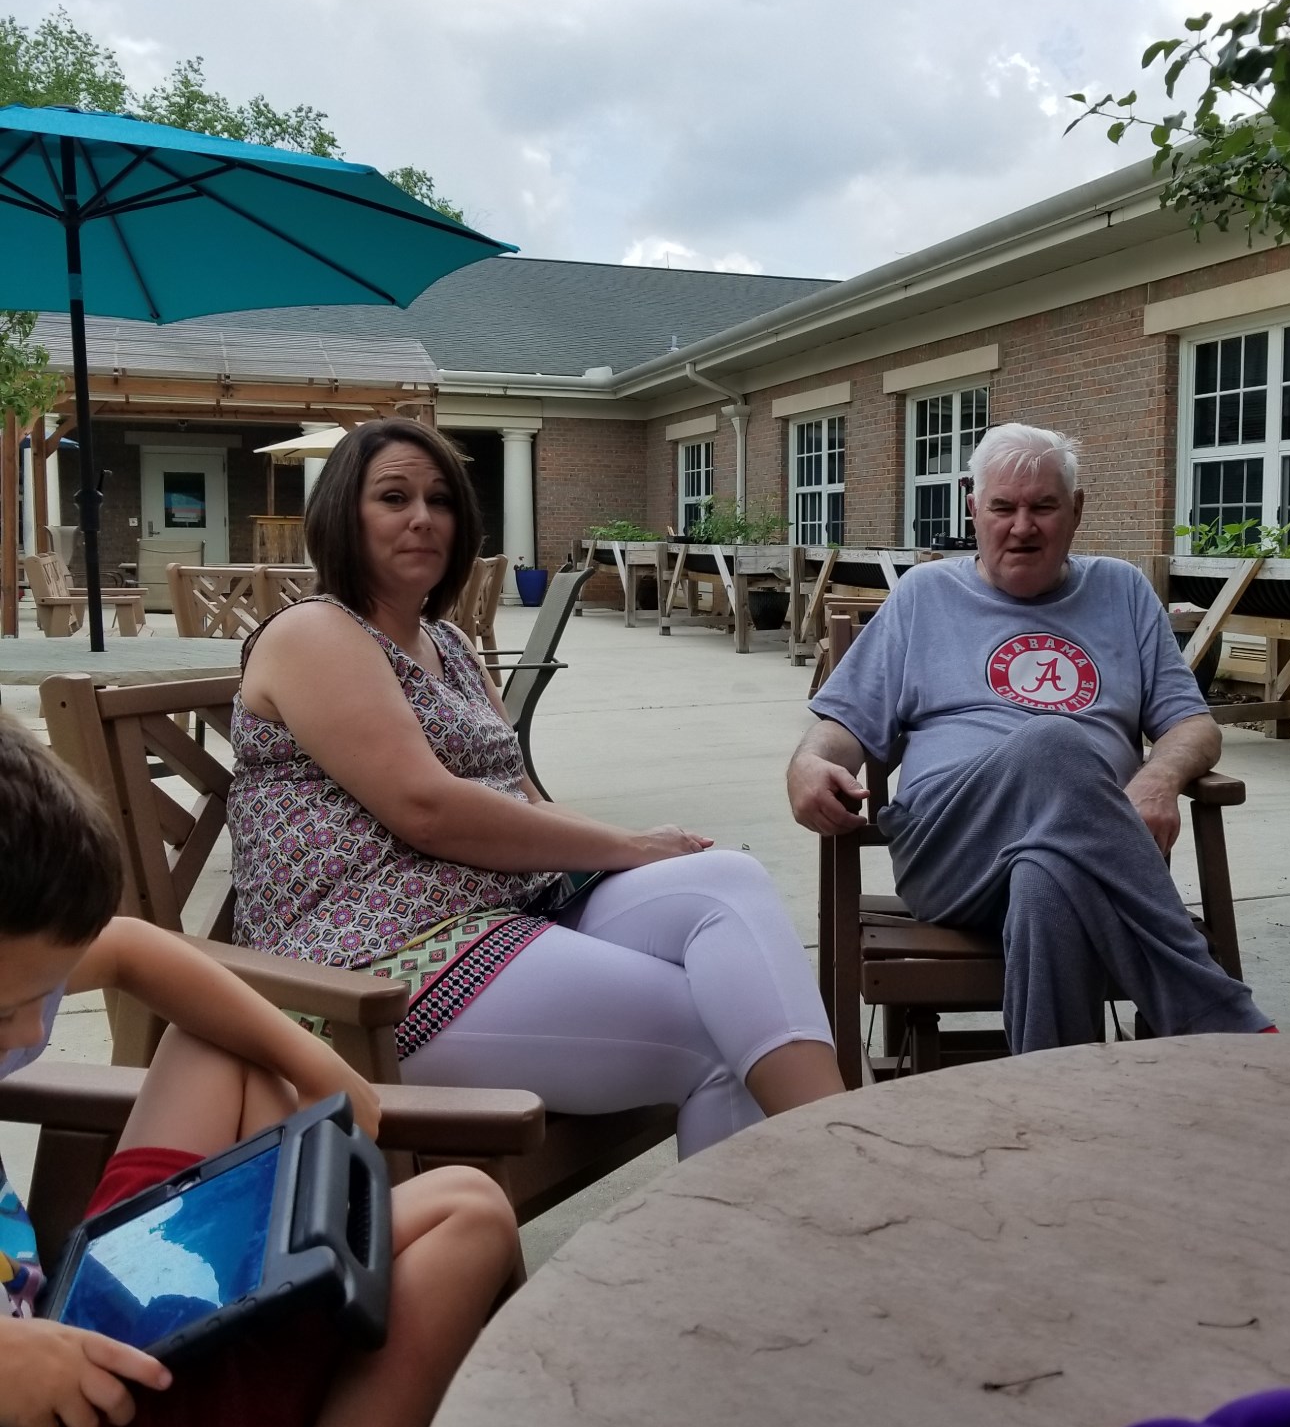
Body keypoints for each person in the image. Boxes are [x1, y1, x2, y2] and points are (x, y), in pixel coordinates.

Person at [0, 715, 521, 1427]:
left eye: (43, 997)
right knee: (464, 1212)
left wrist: (320, 1065)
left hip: (78, 1329)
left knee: (220, 1051)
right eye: (3, 1011)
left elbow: (134, 948)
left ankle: (278, 1291)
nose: (29, 1033)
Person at [229, 417, 842, 1156]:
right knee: (720, 1038)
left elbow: (522, 797)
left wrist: (633, 850)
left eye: (440, 500)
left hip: (504, 912)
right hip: (375, 968)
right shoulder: (315, 633)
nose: (423, 518)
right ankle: (834, 1177)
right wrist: (629, 846)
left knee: (728, 882)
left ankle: (846, 1155)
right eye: (393, 497)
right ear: (341, 516)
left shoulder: (449, 643)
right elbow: (428, 811)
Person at [787, 422, 1273, 1052]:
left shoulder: (1121, 591)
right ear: (973, 509)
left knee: (1049, 879)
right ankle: (1216, 1016)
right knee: (1054, 742)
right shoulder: (925, 596)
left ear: (1076, 511)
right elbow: (844, 724)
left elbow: (1193, 723)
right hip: (950, 850)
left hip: (1088, 855)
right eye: (1003, 508)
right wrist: (808, 762)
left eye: (1043, 506)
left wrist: (1158, 778)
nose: (1022, 527)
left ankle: (1051, 1099)